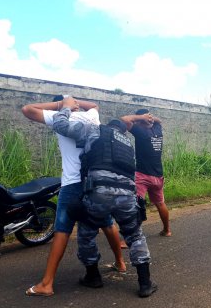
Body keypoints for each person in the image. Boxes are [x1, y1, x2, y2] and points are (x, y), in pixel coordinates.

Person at [22, 95, 127, 297]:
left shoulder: (61, 117)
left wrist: (62, 105)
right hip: (96, 183)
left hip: (73, 184)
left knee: (62, 229)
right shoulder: (92, 116)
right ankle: (120, 263)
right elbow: (95, 104)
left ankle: (47, 283)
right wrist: (74, 102)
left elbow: (28, 109)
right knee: (106, 222)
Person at [52, 96, 157, 297]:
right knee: (135, 235)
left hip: (98, 192)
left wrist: (65, 107)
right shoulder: (127, 142)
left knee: (87, 232)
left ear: (108, 125)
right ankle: (145, 283)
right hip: (127, 194)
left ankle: (93, 276)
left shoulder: (95, 130)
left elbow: (61, 126)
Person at [125, 108, 172, 237]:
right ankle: (167, 230)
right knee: (160, 203)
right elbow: (159, 121)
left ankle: (132, 236)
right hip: (158, 176)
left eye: (138, 120)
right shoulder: (157, 130)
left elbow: (124, 120)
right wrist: (150, 118)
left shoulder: (140, 131)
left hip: (142, 176)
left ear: (141, 120)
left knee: (136, 205)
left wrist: (141, 118)